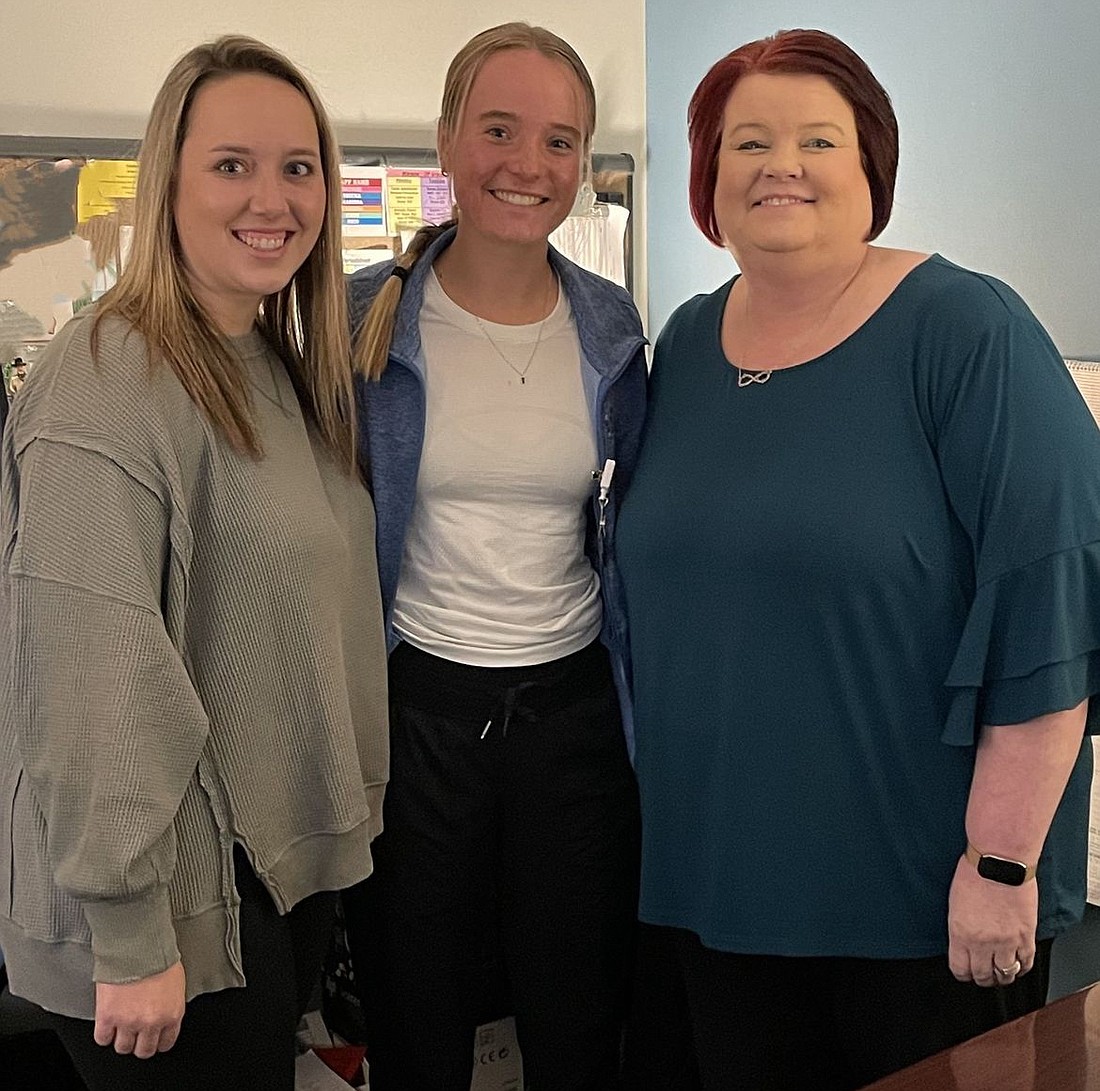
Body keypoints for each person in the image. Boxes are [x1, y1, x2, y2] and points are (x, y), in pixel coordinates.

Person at [617, 28, 1100, 1091]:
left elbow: (1051, 594)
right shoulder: (685, 346)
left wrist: (1000, 861)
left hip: (922, 897)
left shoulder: (964, 328)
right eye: (746, 141)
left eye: (815, 139)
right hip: (717, 883)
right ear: (707, 176)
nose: (778, 163)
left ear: (869, 164)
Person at [0, 35, 388, 1091]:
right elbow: (93, 674)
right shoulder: (106, 375)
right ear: (166, 179)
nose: (273, 197)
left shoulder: (274, 361)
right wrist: (128, 931)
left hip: (272, 885)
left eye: (297, 166)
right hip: (170, 914)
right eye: (232, 164)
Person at [341, 22, 646, 1091]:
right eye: (500, 130)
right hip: (413, 710)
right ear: (446, 140)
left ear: (582, 164)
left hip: (572, 717)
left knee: (576, 1011)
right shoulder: (362, 318)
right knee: (415, 1006)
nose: (527, 165)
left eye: (558, 140)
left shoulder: (611, 327)